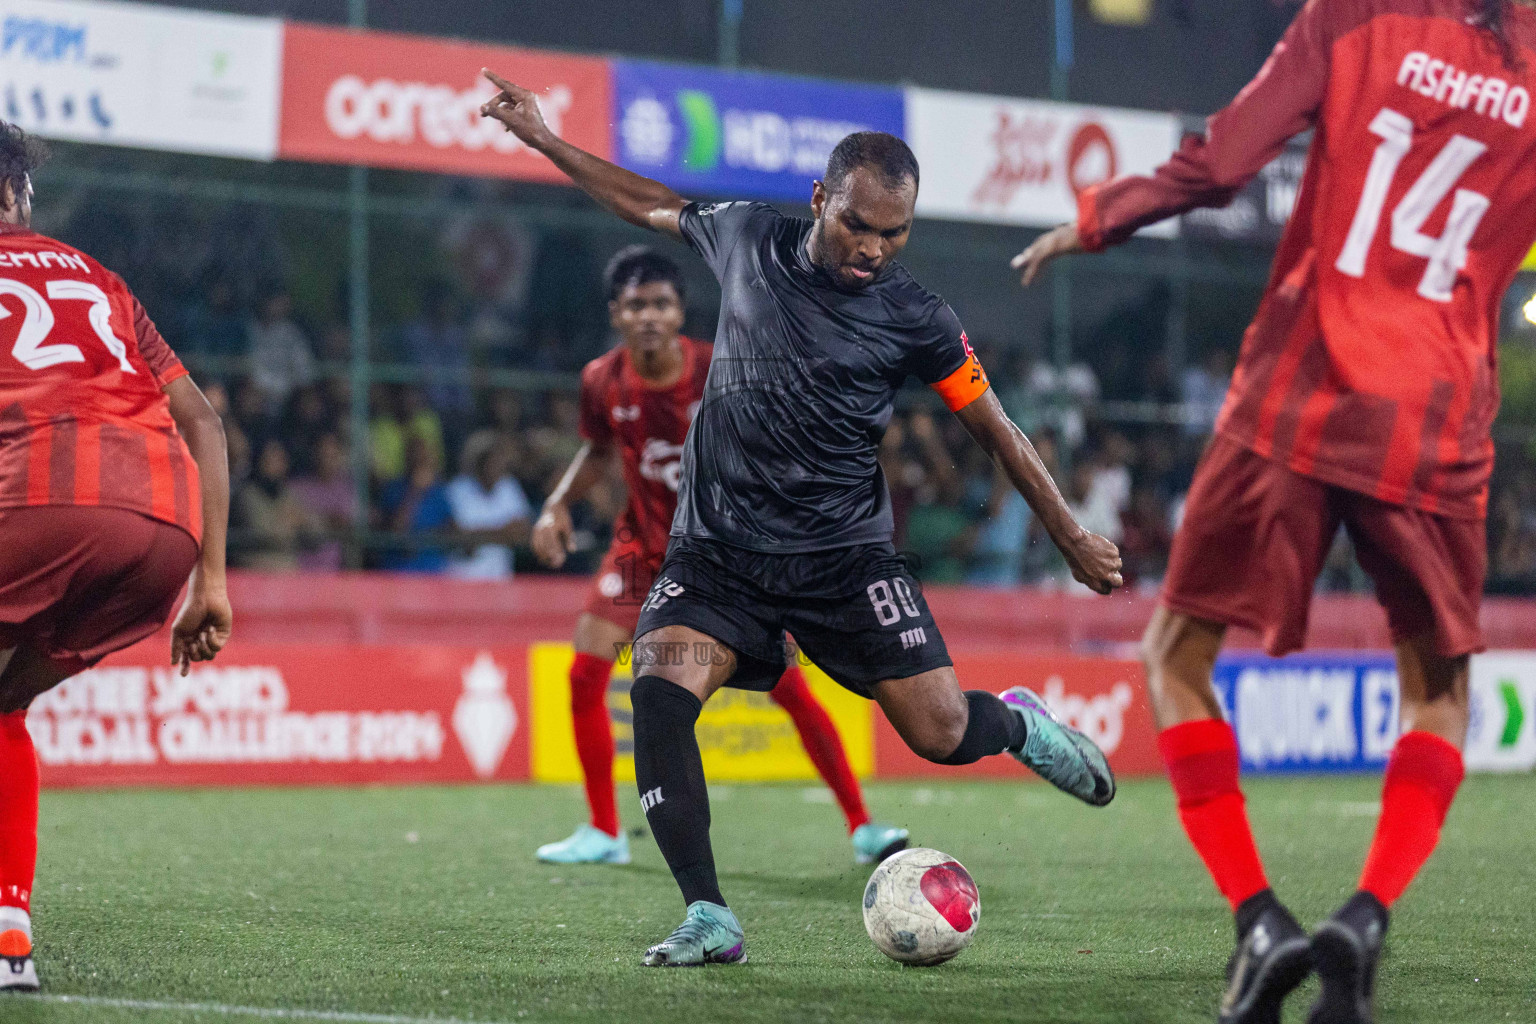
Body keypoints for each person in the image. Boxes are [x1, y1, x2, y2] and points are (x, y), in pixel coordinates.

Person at [481, 72, 1123, 966]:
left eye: (893, 234)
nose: (872, 249)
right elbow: (651, 204)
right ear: (821, 199)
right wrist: (546, 140)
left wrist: (1071, 536)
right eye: (857, 225)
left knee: (940, 734)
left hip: (844, 559)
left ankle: (1015, 723)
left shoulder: (919, 318)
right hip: (717, 554)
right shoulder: (745, 237)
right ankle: (709, 914)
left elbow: (997, 430)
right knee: (660, 691)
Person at [1012, 2, 1536, 1022]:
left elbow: (1220, 165)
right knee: (1438, 691)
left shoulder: (1354, 15)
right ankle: (1368, 913)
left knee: (1173, 656)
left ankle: (1259, 919)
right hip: (1437, 416)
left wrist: (1096, 217)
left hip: (1297, 395)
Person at [530, 245, 912, 868]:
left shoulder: (720, 370)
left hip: (724, 557)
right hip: (641, 549)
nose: (649, 315)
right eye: (636, 305)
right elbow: (599, 449)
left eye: (660, 303)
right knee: (582, 674)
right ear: (616, 315)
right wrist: (556, 504)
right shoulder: (600, 379)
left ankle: (863, 824)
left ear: (680, 311)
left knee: (787, 686)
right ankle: (603, 831)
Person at [0, 124, 232, 992]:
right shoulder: (100, 277)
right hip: (163, 531)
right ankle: (8, 935)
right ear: (19, 195)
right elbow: (204, 420)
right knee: (3, 707)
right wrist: (211, 578)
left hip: (34, 506)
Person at [446, 432, 532, 579]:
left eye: (499, 459)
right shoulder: (457, 488)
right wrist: (503, 533)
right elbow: (459, 537)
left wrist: (478, 534)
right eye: (491, 459)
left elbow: (523, 532)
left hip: (500, 578)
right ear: (480, 462)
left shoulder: (509, 486)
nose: (496, 465)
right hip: (463, 578)